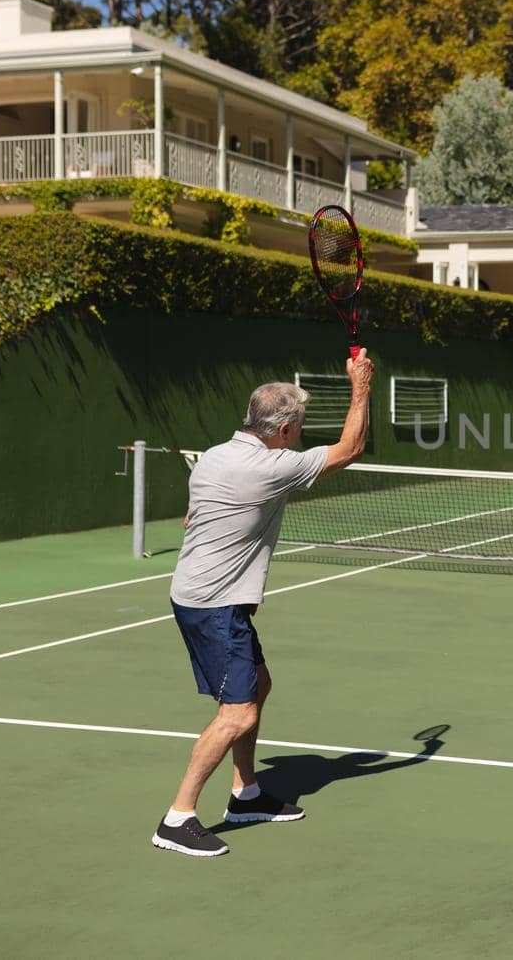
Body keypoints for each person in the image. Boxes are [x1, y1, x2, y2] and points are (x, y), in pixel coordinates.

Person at [152, 350, 374, 857]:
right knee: (238, 714)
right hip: (215, 603)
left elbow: (193, 514)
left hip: (202, 593)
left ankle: (246, 794)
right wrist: (360, 385)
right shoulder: (271, 467)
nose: (299, 432)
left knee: (259, 685)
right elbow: (351, 447)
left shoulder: (214, 455)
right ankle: (178, 817)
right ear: (285, 429)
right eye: (298, 425)